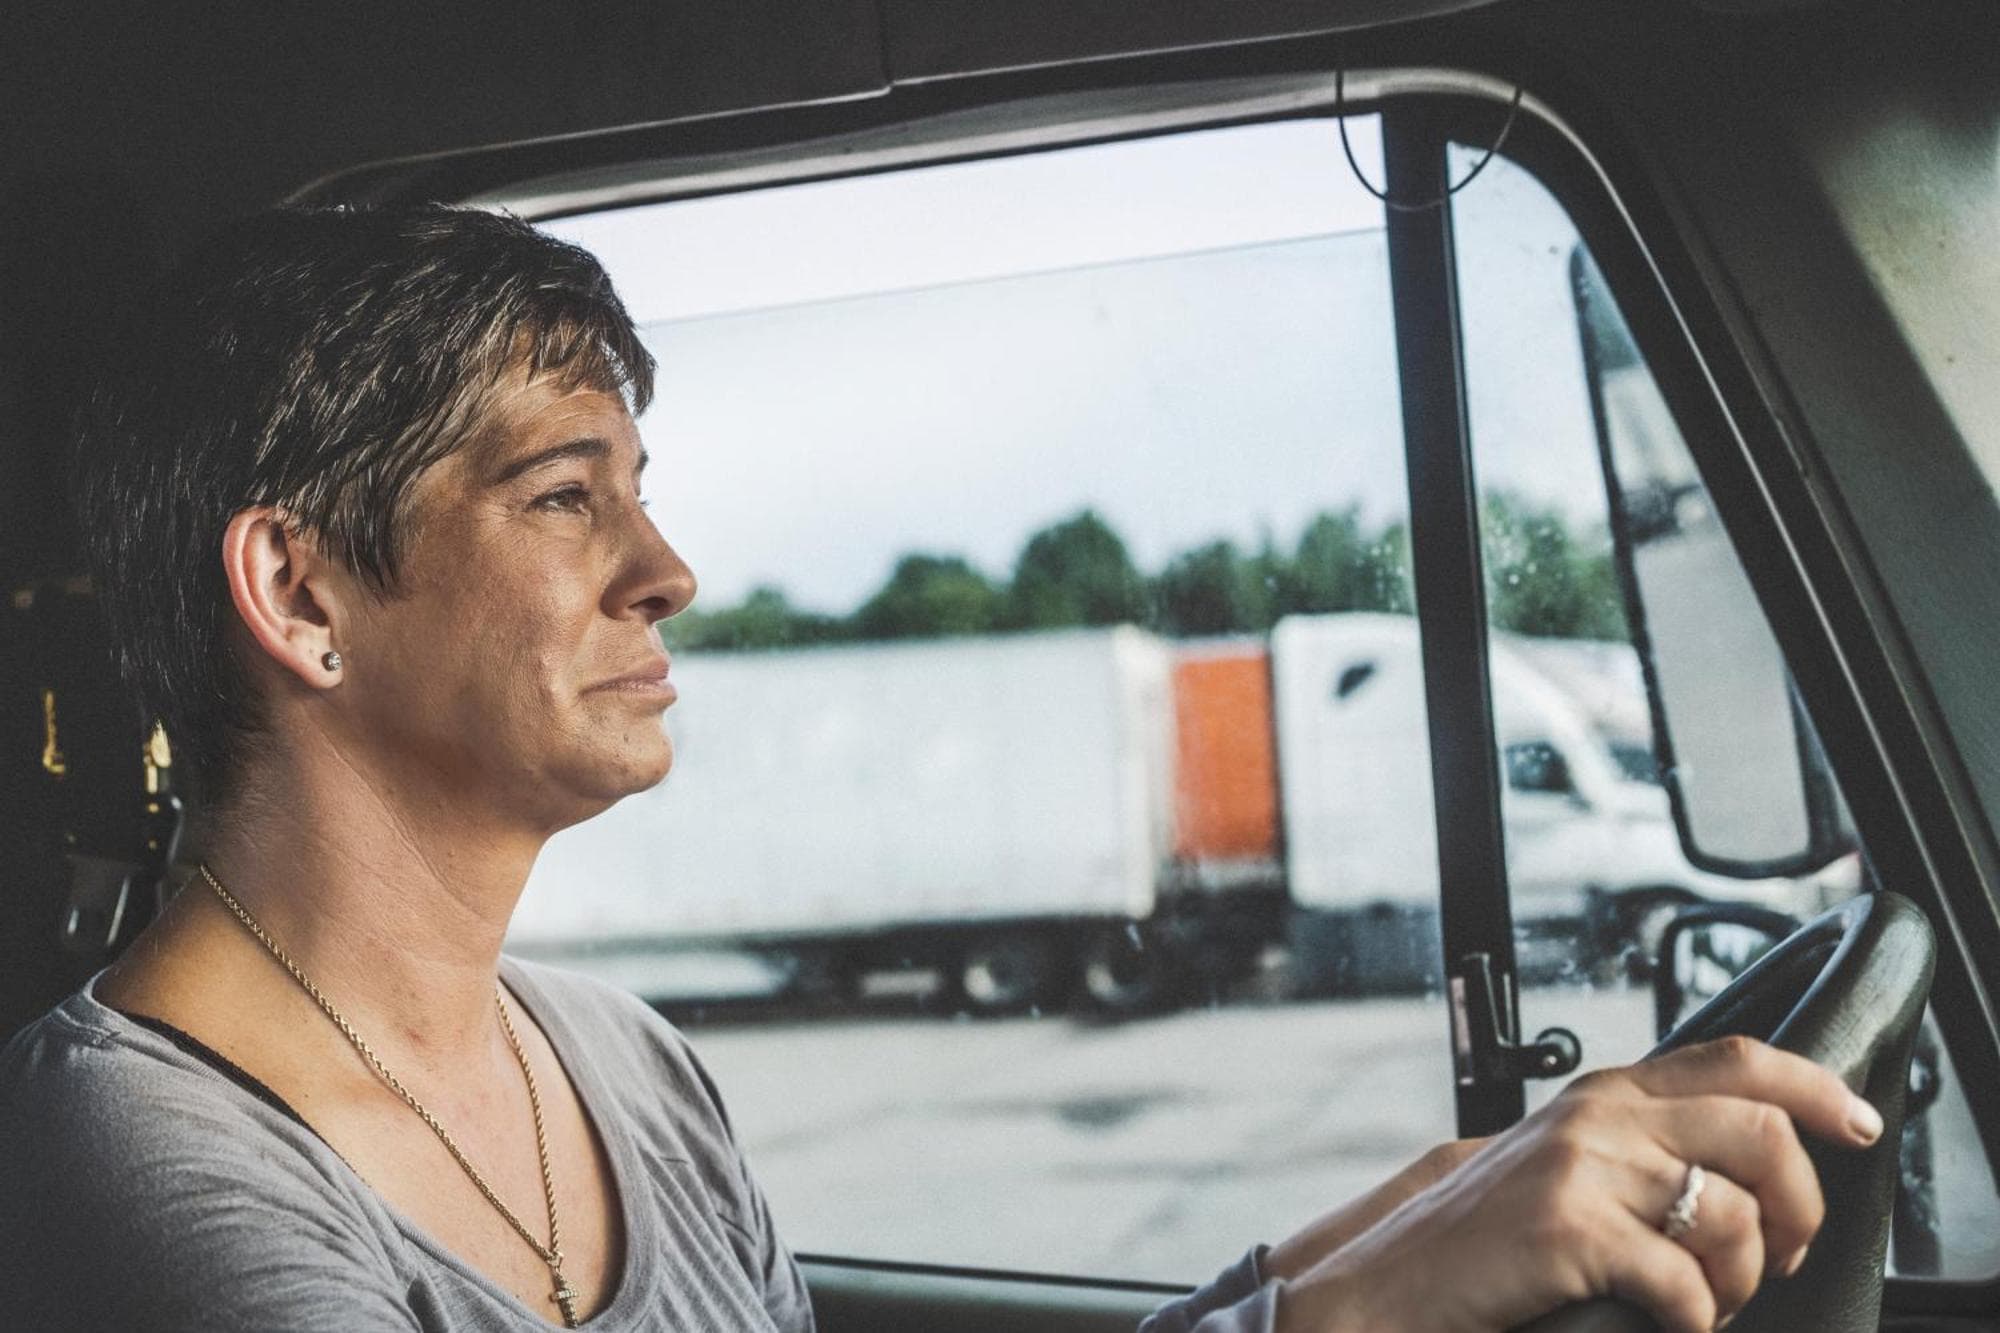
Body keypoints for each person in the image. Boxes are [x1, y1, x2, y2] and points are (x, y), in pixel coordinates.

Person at [0, 205, 1883, 1332]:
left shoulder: (622, 1064)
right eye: (566, 495)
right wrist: (1341, 1312)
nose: (669, 569)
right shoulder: (134, 1167)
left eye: (640, 493)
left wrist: (1397, 1227)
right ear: (300, 591)